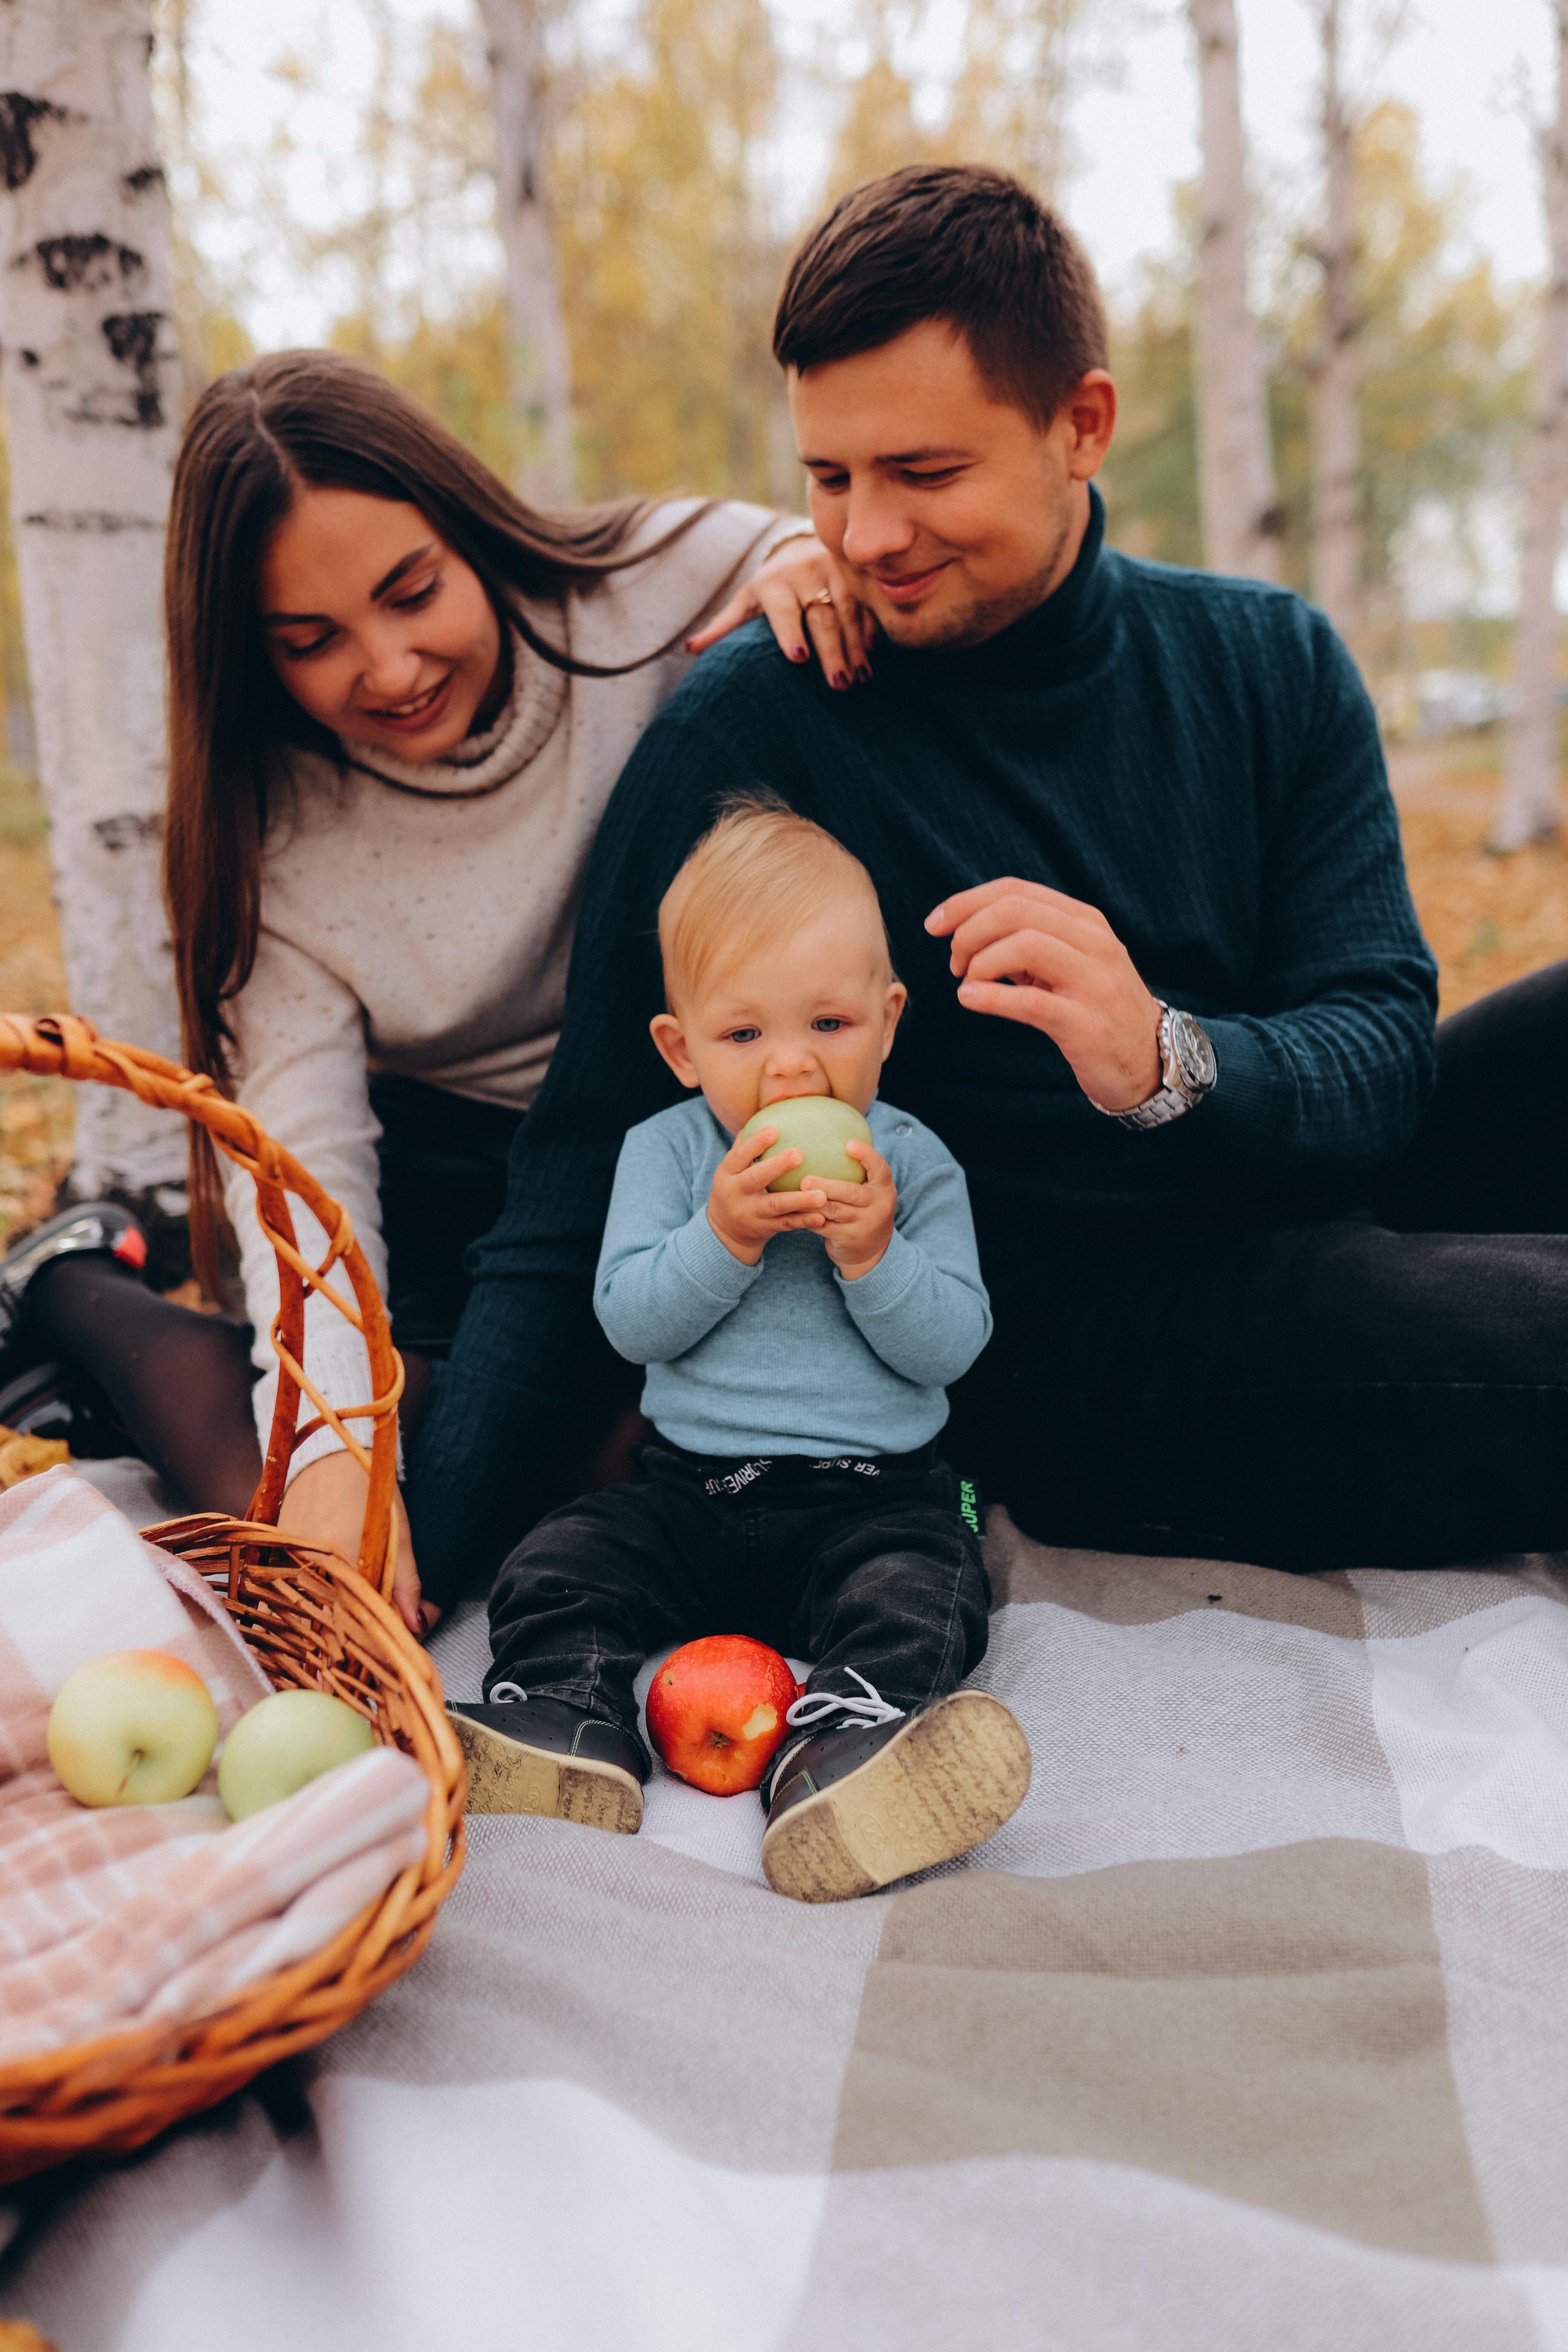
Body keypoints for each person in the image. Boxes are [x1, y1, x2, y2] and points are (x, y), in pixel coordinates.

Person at [409, 160, 1568, 1600]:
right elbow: (573, 1176)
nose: (864, 535)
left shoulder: (1269, 659)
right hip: (1065, 1338)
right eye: (827, 478)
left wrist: (1163, 1057)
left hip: (1306, 1183)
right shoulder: (752, 727)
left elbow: (1381, 1058)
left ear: (1078, 425)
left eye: (923, 472)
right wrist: (412, 1558)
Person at [0, 350, 872, 1633]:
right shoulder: (276, 834)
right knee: (349, 1531)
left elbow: (876, 557)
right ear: (253, 654)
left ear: (469, 529)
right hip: (445, 1180)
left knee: (694, 1447)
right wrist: (333, 1447)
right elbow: (311, 1159)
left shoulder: (657, 588)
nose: (392, 666)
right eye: (311, 643)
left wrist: (815, 563)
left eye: (412, 592)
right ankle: (79, 1291)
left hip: (661, 1133)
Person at [447, 799, 1028, 1902]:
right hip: (692, 1495)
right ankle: (567, 1720)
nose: (792, 1072)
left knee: (936, 1587)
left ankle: (847, 1746)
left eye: (830, 1026)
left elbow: (951, 1347)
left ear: (889, 1019)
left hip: (876, 1495)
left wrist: (873, 1254)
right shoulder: (664, 1157)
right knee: (560, 1557)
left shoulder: (914, 1163)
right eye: (745, 1035)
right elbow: (631, 1322)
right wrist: (724, 1237)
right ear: (680, 1048)